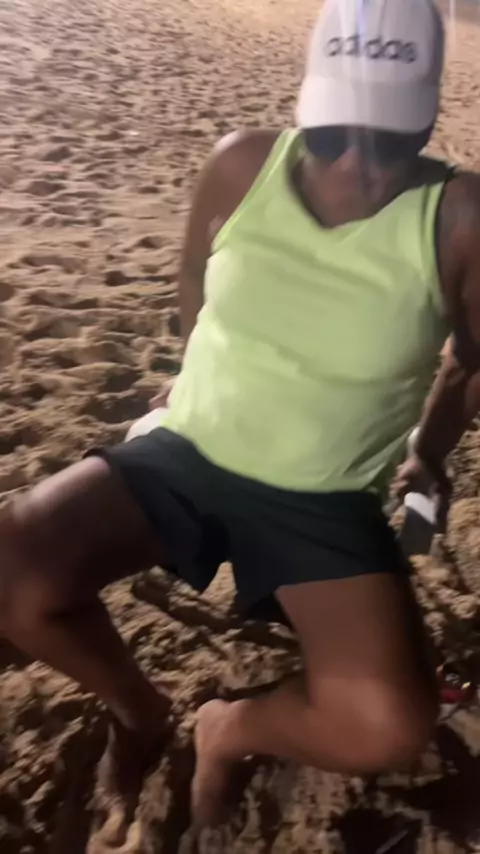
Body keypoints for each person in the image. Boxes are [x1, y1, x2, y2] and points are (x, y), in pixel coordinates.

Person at [1, 0, 480, 831]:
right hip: (191, 446)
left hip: (320, 497)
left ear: (428, 116)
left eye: (389, 140)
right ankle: (138, 712)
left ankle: (228, 728)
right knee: (13, 570)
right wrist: (193, 372)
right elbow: (196, 277)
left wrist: (427, 457)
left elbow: (470, 361)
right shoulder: (243, 164)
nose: (355, 163)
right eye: (331, 133)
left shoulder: (461, 216)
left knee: (388, 724)